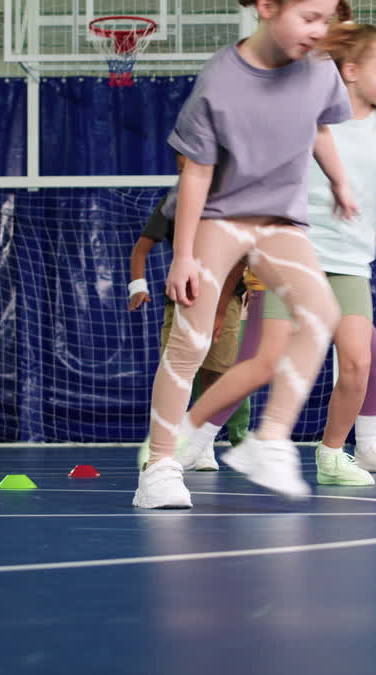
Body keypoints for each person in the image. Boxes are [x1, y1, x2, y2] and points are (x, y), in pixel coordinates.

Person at [177, 20, 376, 487]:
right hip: (292, 256)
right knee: (259, 363)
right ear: (350, 71)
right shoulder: (304, 121)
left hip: (350, 268)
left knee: (357, 362)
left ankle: (332, 455)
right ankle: (190, 439)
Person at [133, 0, 356, 509]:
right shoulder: (221, 80)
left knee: (321, 313)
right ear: (267, 7)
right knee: (191, 340)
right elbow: (196, 171)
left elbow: (319, 127)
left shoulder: (321, 69)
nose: (319, 30)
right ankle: (161, 467)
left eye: (327, 19)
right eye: (308, 17)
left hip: (280, 220)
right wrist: (184, 254)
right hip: (221, 218)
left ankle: (270, 439)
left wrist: (341, 180)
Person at [179, 220, 376, 475]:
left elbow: (370, 217)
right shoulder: (288, 192)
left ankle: (367, 447)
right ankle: (192, 442)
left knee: (370, 359)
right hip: (284, 277)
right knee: (253, 365)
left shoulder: (349, 193)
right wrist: (224, 304)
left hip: (337, 276)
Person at [128, 153, 251, 471]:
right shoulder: (174, 202)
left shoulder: (233, 203)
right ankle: (167, 451)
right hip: (182, 298)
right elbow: (141, 248)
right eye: (182, 165)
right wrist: (137, 286)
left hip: (227, 298)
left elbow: (239, 261)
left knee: (216, 372)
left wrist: (222, 310)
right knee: (177, 371)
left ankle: (203, 444)